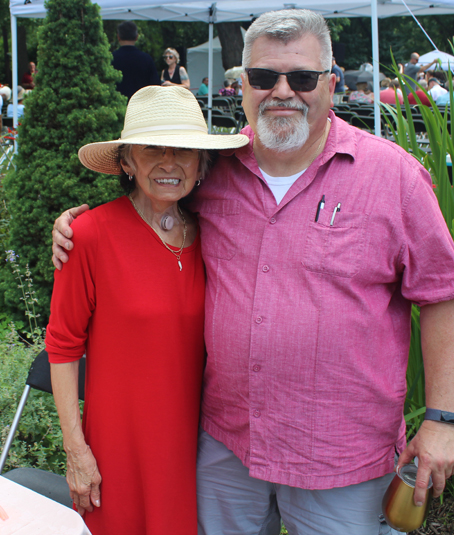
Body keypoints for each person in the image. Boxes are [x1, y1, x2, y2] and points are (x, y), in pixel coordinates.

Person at [52, 9, 454, 535]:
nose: (281, 92)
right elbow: (152, 198)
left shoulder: (394, 177)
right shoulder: (219, 170)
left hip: (338, 461)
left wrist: (442, 418)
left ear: (331, 82)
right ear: (242, 82)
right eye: (263, 77)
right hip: (228, 450)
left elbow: (442, 296)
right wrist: (76, 222)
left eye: (300, 78)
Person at [46, 85, 248, 535]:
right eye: (152, 148)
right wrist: (76, 450)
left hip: (200, 449)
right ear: (126, 162)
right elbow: (61, 348)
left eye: (184, 150)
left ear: (202, 165)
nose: (169, 162)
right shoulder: (89, 236)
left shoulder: (219, 235)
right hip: (118, 450)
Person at [112, 21, 160, 99]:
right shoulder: (147, 59)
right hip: (141, 106)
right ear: (137, 37)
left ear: (118, 37)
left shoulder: (111, 58)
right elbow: (155, 87)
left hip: (116, 106)